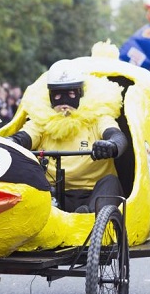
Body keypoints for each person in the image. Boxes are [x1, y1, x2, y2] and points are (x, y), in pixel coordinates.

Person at [10, 59, 128, 213]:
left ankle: (89, 218)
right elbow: (24, 137)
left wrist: (111, 145)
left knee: (110, 182)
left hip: (94, 192)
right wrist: (10, 142)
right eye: (58, 96)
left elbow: (117, 136)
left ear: (80, 94)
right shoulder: (41, 121)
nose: (64, 103)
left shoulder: (98, 116)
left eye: (71, 94)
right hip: (55, 194)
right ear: (50, 96)